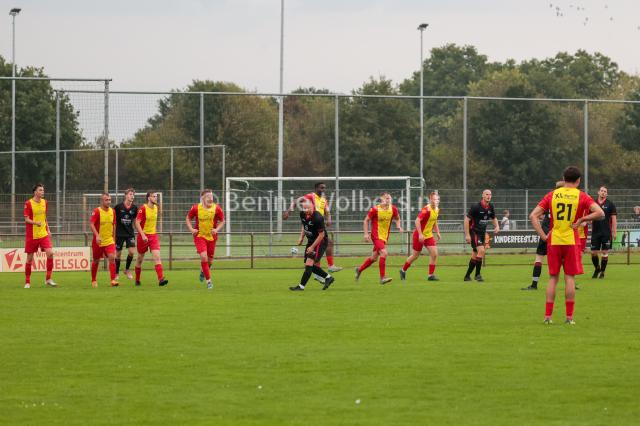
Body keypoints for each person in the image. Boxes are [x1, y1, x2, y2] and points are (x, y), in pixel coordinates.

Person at [530, 166, 603, 325]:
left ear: (563, 179)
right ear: (578, 181)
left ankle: (548, 317)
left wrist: (543, 236)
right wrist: (582, 219)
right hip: (571, 241)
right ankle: (569, 318)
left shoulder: (552, 195)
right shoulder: (581, 195)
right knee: (569, 277)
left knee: (553, 278)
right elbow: (600, 213)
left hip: (554, 240)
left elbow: (533, 215)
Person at [283, 182, 343, 275]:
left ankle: (320, 270)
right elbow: (296, 201)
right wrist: (288, 211)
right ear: (316, 188)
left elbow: (327, 212)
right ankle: (328, 267)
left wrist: (329, 219)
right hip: (313, 225)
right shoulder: (311, 196)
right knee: (325, 243)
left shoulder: (324, 200)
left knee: (321, 246)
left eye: (324, 188)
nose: (323, 190)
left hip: (319, 224)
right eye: (321, 188)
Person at [523, 181, 564, 291]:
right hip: (559, 232)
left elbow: (537, 214)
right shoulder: (567, 201)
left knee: (539, 258)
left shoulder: (550, 198)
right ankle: (571, 284)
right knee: (563, 259)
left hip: (546, 231)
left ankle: (534, 284)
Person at [355, 192, 403, 284]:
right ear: (381, 199)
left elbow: (397, 218)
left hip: (384, 237)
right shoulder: (375, 209)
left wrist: (398, 226)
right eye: (386, 198)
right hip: (376, 235)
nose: (388, 200)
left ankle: (359, 269)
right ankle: (382, 277)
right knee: (384, 253)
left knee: (374, 258)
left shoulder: (393, 209)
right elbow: (366, 220)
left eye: (389, 198)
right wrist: (366, 234)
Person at [289, 198, 335, 291]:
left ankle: (301, 287)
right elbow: (304, 225)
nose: (306, 211)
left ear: (313, 207)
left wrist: (312, 247)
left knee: (309, 263)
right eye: (304, 208)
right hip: (311, 241)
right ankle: (328, 277)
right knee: (308, 266)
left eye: (308, 209)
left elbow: (321, 235)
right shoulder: (302, 214)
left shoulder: (318, 218)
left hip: (320, 242)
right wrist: (301, 237)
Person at [186, 189, 225, 290]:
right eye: (208, 197)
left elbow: (222, 221)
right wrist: (192, 229)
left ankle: (203, 271)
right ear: (203, 198)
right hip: (200, 236)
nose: (211, 198)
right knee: (204, 257)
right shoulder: (196, 208)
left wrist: (216, 229)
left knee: (210, 261)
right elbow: (188, 218)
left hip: (212, 237)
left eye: (212, 196)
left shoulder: (217, 208)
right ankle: (209, 282)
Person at [400, 191, 441, 281]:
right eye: (434, 199)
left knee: (434, 254)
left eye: (438, 199)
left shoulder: (437, 209)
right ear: (430, 200)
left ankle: (430, 275)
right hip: (419, 235)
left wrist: (437, 232)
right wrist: (420, 234)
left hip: (428, 235)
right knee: (415, 255)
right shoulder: (426, 209)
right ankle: (403, 270)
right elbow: (417, 221)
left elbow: (434, 221)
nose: (436, 201)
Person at [23, 183, 56, 288]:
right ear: (35, 192)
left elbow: (44, 217)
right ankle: (27, 282)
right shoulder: (28, 203)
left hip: (43, 233)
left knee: (50, 253)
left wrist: (48, 229)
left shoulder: (45, 202)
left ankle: (48, 279)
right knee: (29, 259)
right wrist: (35, 223)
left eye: (43, 190)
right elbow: (26, 219)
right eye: (40, 190)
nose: (42, 192)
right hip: (32, 235)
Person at [463, 189, 499, 282]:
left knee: (475, 255)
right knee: (481, 251)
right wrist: (467, 235)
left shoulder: (491, 206)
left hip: (482, 233)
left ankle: (467, 276)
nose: (489, 196)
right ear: (482, 195)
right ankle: (477, 275)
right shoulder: (476, 206)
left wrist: (497, 226)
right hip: (474, 232)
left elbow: (494, 218)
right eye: (487, 194)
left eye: (490, 194)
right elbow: (466, 220)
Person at [134, 190, 168, 287]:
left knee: (157, 257)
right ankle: (137, 279)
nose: (155, 198)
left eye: (156, 196)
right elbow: (137, 223)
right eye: (153, 196)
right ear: (149, 198)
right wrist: (143, 235)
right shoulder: (143, 208)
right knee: (140, 259)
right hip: (143, 236)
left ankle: (161, 279)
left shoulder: (156, 208)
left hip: (153, 236)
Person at [89, 193, 118, 288]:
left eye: (109, 200)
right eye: (106, 200)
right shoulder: (97, 211)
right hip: (99, 241)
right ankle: (93, 280)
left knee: (112, 257)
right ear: (102, 201)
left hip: (109, 240)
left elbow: (114, 225)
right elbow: (91, 224)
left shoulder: (113, 211)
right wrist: (97, 236)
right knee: (96, 260)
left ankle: (113, 280)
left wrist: (114, 238)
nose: (109, 202)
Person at [590, 186, 617, 279]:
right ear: (598, 192)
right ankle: (597, 268)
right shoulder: (593, 203)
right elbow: (589, 215)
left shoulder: (610, 204)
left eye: (605, 191)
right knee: (593, 252)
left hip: (606, 232)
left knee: (605, 252)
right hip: (595, 232)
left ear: (607, 194)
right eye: (601, 191)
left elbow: (614, 219)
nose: (603, 192)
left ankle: (602, 272)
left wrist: (614, 231)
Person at [113, 188, 138, 280]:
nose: (132, 196)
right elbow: (113, 220)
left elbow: (135, 221)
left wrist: (140, 232)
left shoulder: (134, 208)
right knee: (118, 254)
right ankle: (116, 273)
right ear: (126, 195)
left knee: (132, 252)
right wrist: (113, 234)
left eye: (133, 195)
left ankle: (127, 269)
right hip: (119, 234)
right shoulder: (118, 207)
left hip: (130, 233)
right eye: (130, 194)